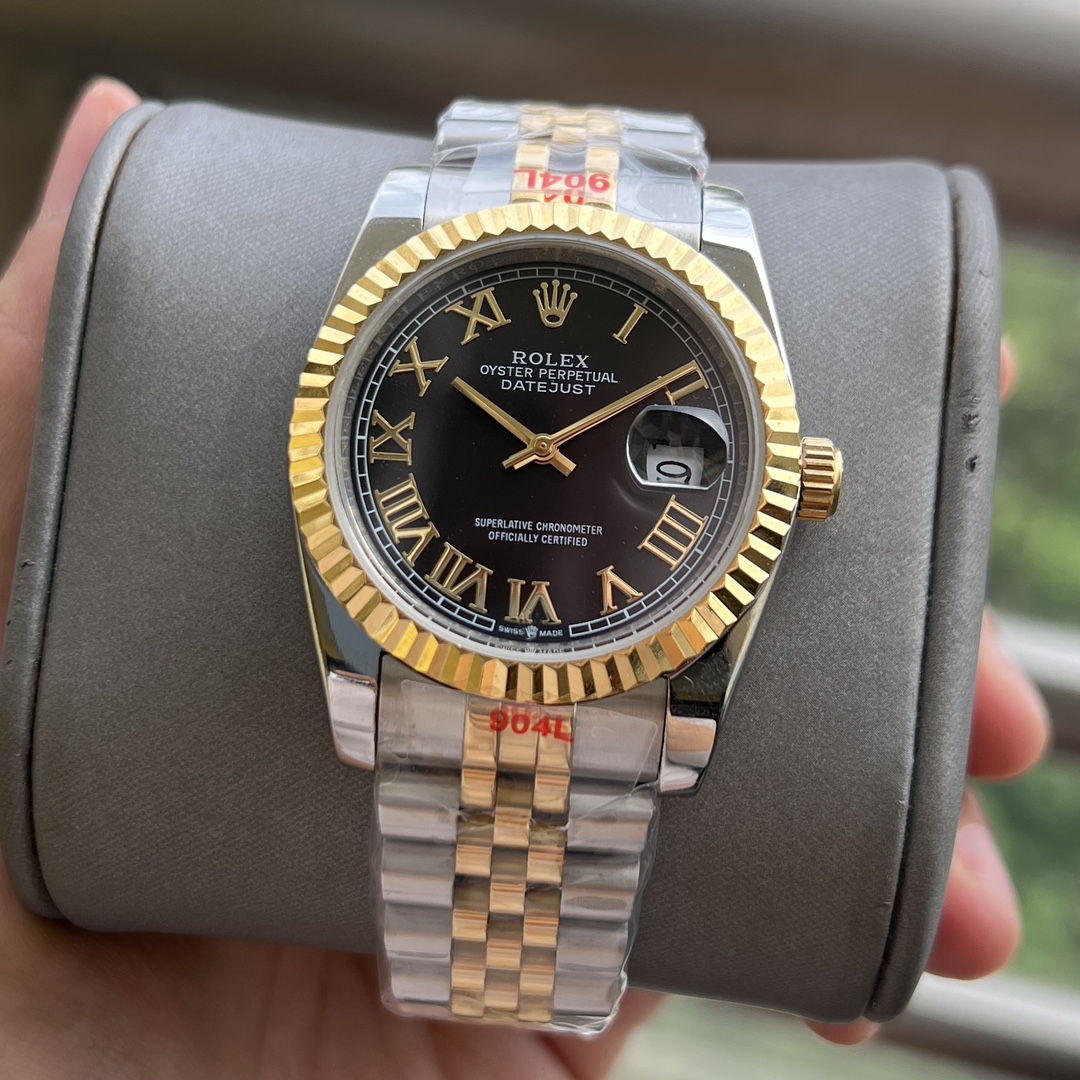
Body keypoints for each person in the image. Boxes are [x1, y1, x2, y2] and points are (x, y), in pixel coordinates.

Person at [0, 79, 1051, 1079]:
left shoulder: (696, 290)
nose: (547, 454)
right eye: (537, 445)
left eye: (561, 448)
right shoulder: (448, 252)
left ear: (791, 482)